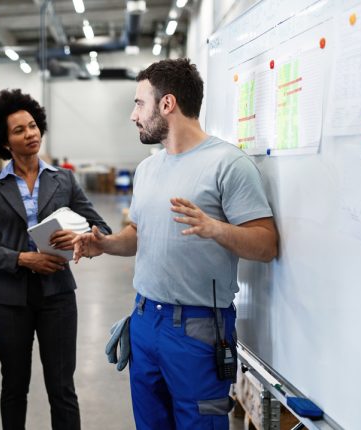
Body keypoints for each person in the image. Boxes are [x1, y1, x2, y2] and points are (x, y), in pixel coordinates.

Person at [74, 58, 279, 430]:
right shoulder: (148, 169)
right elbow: (138, 234)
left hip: (198, 329)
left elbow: (266, 245)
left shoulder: (228, 164)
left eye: (139, 104)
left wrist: (216, 229)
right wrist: (105, 244)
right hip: (144, 321)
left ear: (167, 104)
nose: (133, 116)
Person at [0, 89, 111, 430]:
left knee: (62, 388)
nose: (30, 134)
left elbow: (101, 228)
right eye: (19, 130)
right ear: (5, 142)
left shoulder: (63, 179)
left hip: (58, 297)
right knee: (14, 387)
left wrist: (80, 237)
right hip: (10, 300)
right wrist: (22, 259)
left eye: (32, 126)